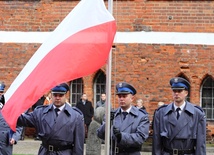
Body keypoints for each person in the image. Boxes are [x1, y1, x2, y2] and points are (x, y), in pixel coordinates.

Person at [17, 83, 85, 155]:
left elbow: (78, 146)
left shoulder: (76, 116)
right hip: (45, 152)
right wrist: (6, 108)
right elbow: (22, 119)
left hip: (64, 152)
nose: (57, 98)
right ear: (51, 95)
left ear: (66, 95)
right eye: (55, 95)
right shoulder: (41, 112)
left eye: (61, 95)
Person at [152, 77, 206, 155]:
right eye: (174, 91)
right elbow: (156, 141)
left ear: (186, 93)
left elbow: (201, 143)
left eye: (180, 91)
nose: (176, 93)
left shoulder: (197, 113)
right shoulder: (161, 112)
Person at [97, 82, 150, 155]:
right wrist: (107, 124)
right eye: (119, 96)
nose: (121, 99)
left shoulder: (141, 116)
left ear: (132, 98)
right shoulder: (112, 114)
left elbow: (140, 138)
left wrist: (121, 136)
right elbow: (100, 134)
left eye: (124, 96)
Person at [0, 83, 23, 155]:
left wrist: (14, 137)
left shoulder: (10, 106)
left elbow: (19, 125)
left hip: (5, 143)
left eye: (1, 92)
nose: (0, 94)